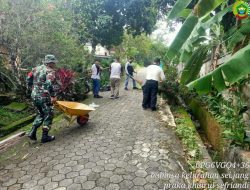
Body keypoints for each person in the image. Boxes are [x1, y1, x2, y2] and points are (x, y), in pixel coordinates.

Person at [26, 54, 58, 143]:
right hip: (44, 96)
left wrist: (33, 89)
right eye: (54, 63)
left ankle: (32, 133)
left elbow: (28, 79)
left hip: (34, 95)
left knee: (41, 114)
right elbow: (49, 84)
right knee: (49, 114)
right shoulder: (50, 71)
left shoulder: (35, 69)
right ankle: (45, 137)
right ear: (50, 63)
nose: (54, 64)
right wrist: (53, 96)